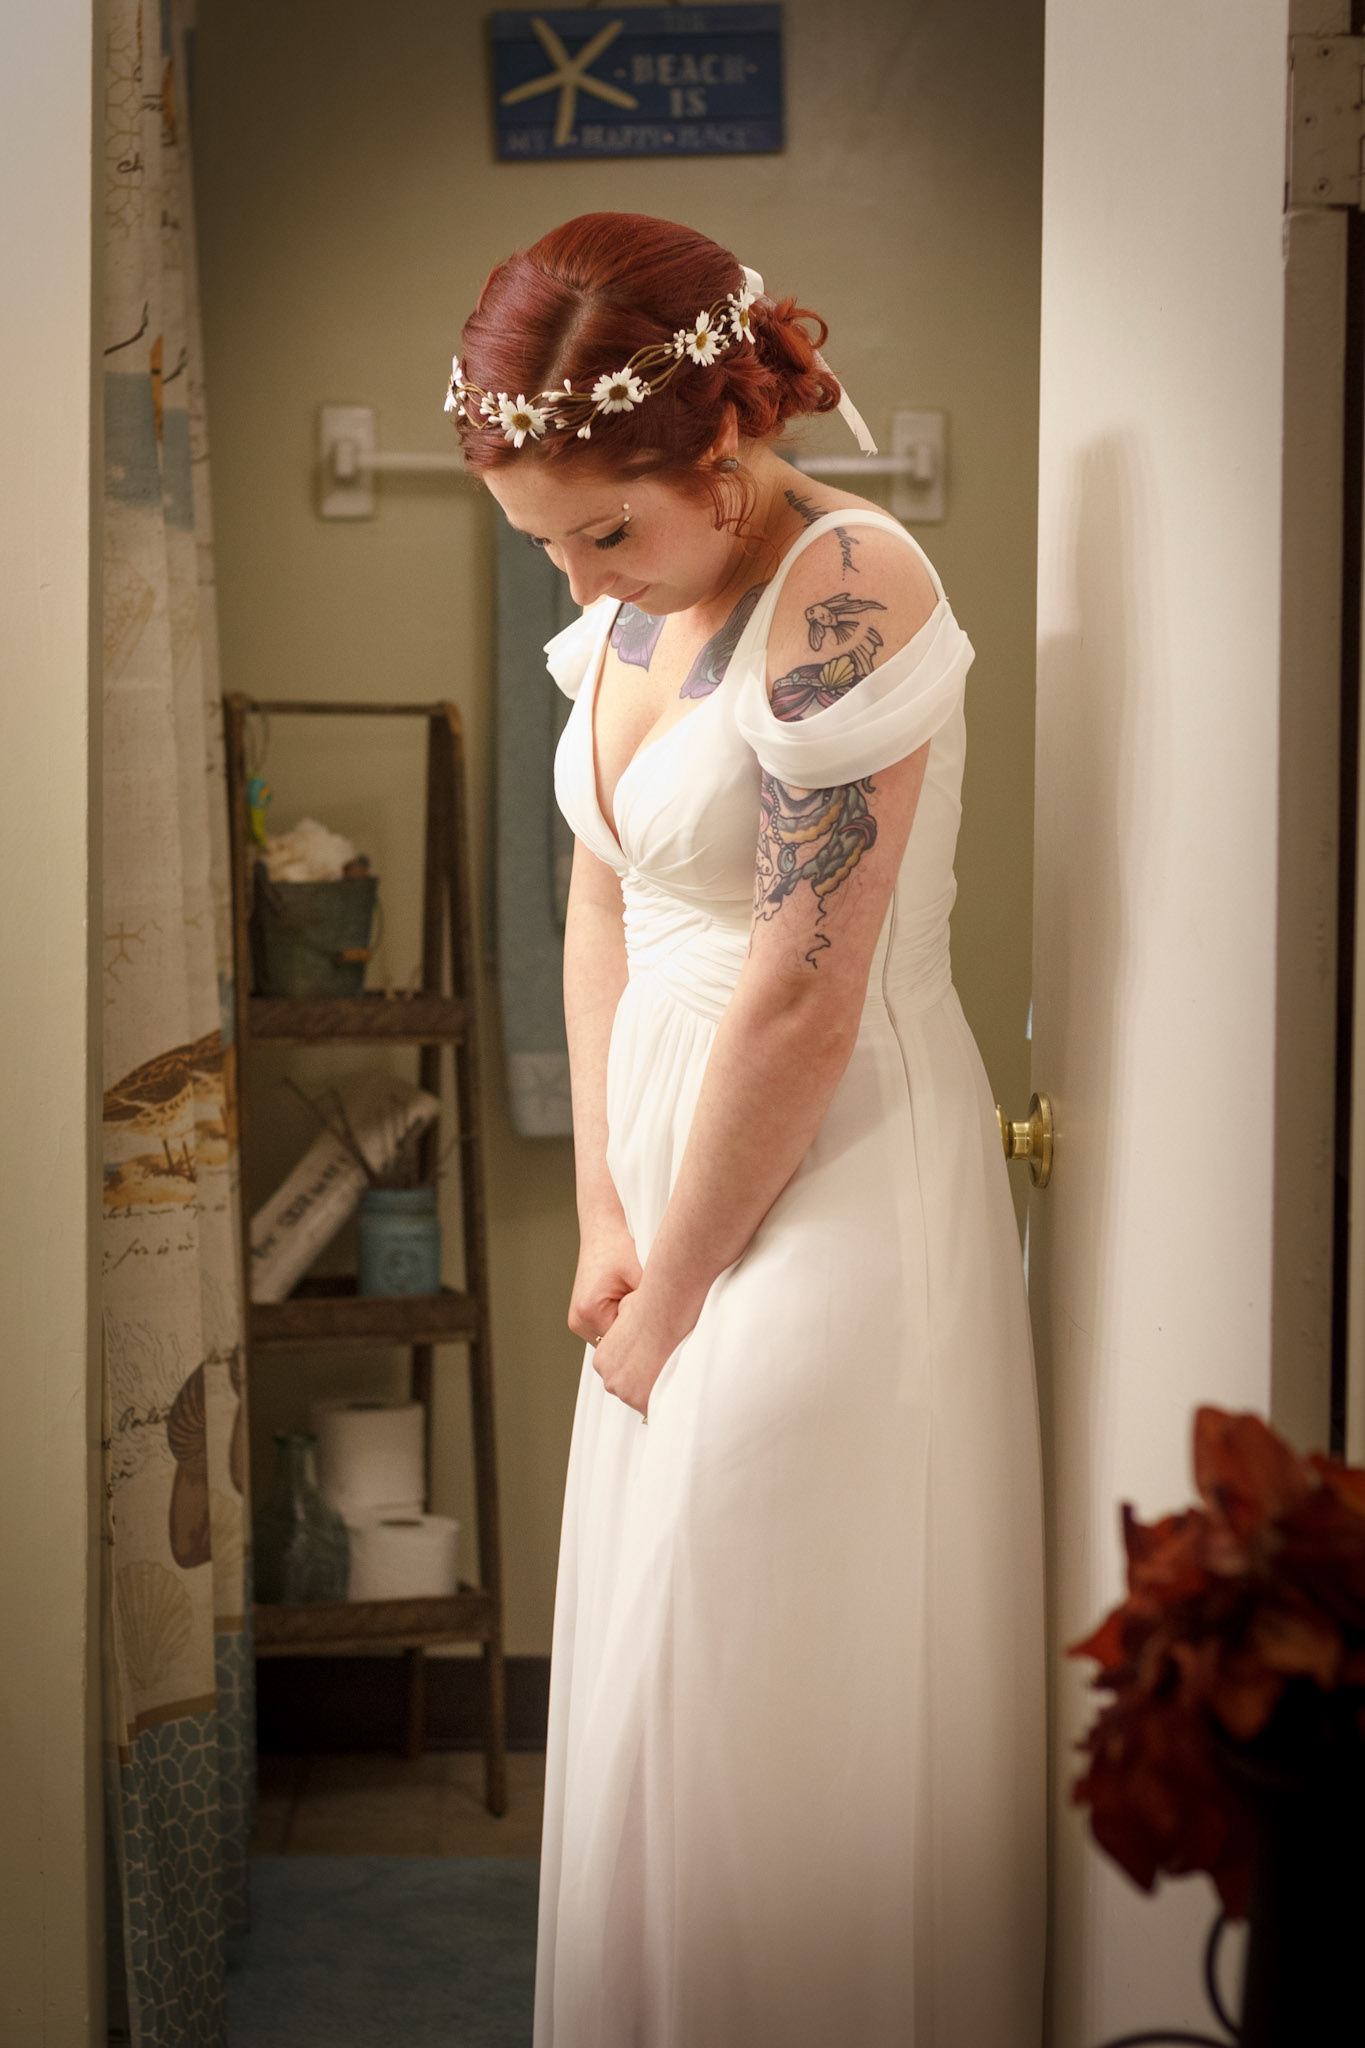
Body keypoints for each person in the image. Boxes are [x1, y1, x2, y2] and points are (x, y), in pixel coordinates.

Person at [447, 213, 1045, 2047]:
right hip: (670, 1192)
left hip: (830, 1173)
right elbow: (602, 899)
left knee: (763, 1659)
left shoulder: (848, 582)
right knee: (664, 1671)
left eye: (603, 535)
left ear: (719, 442)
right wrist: (605, 1213)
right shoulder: (639, 594)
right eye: (544, 547)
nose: (580, 585)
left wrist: (678, 1284)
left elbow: (802, 985)